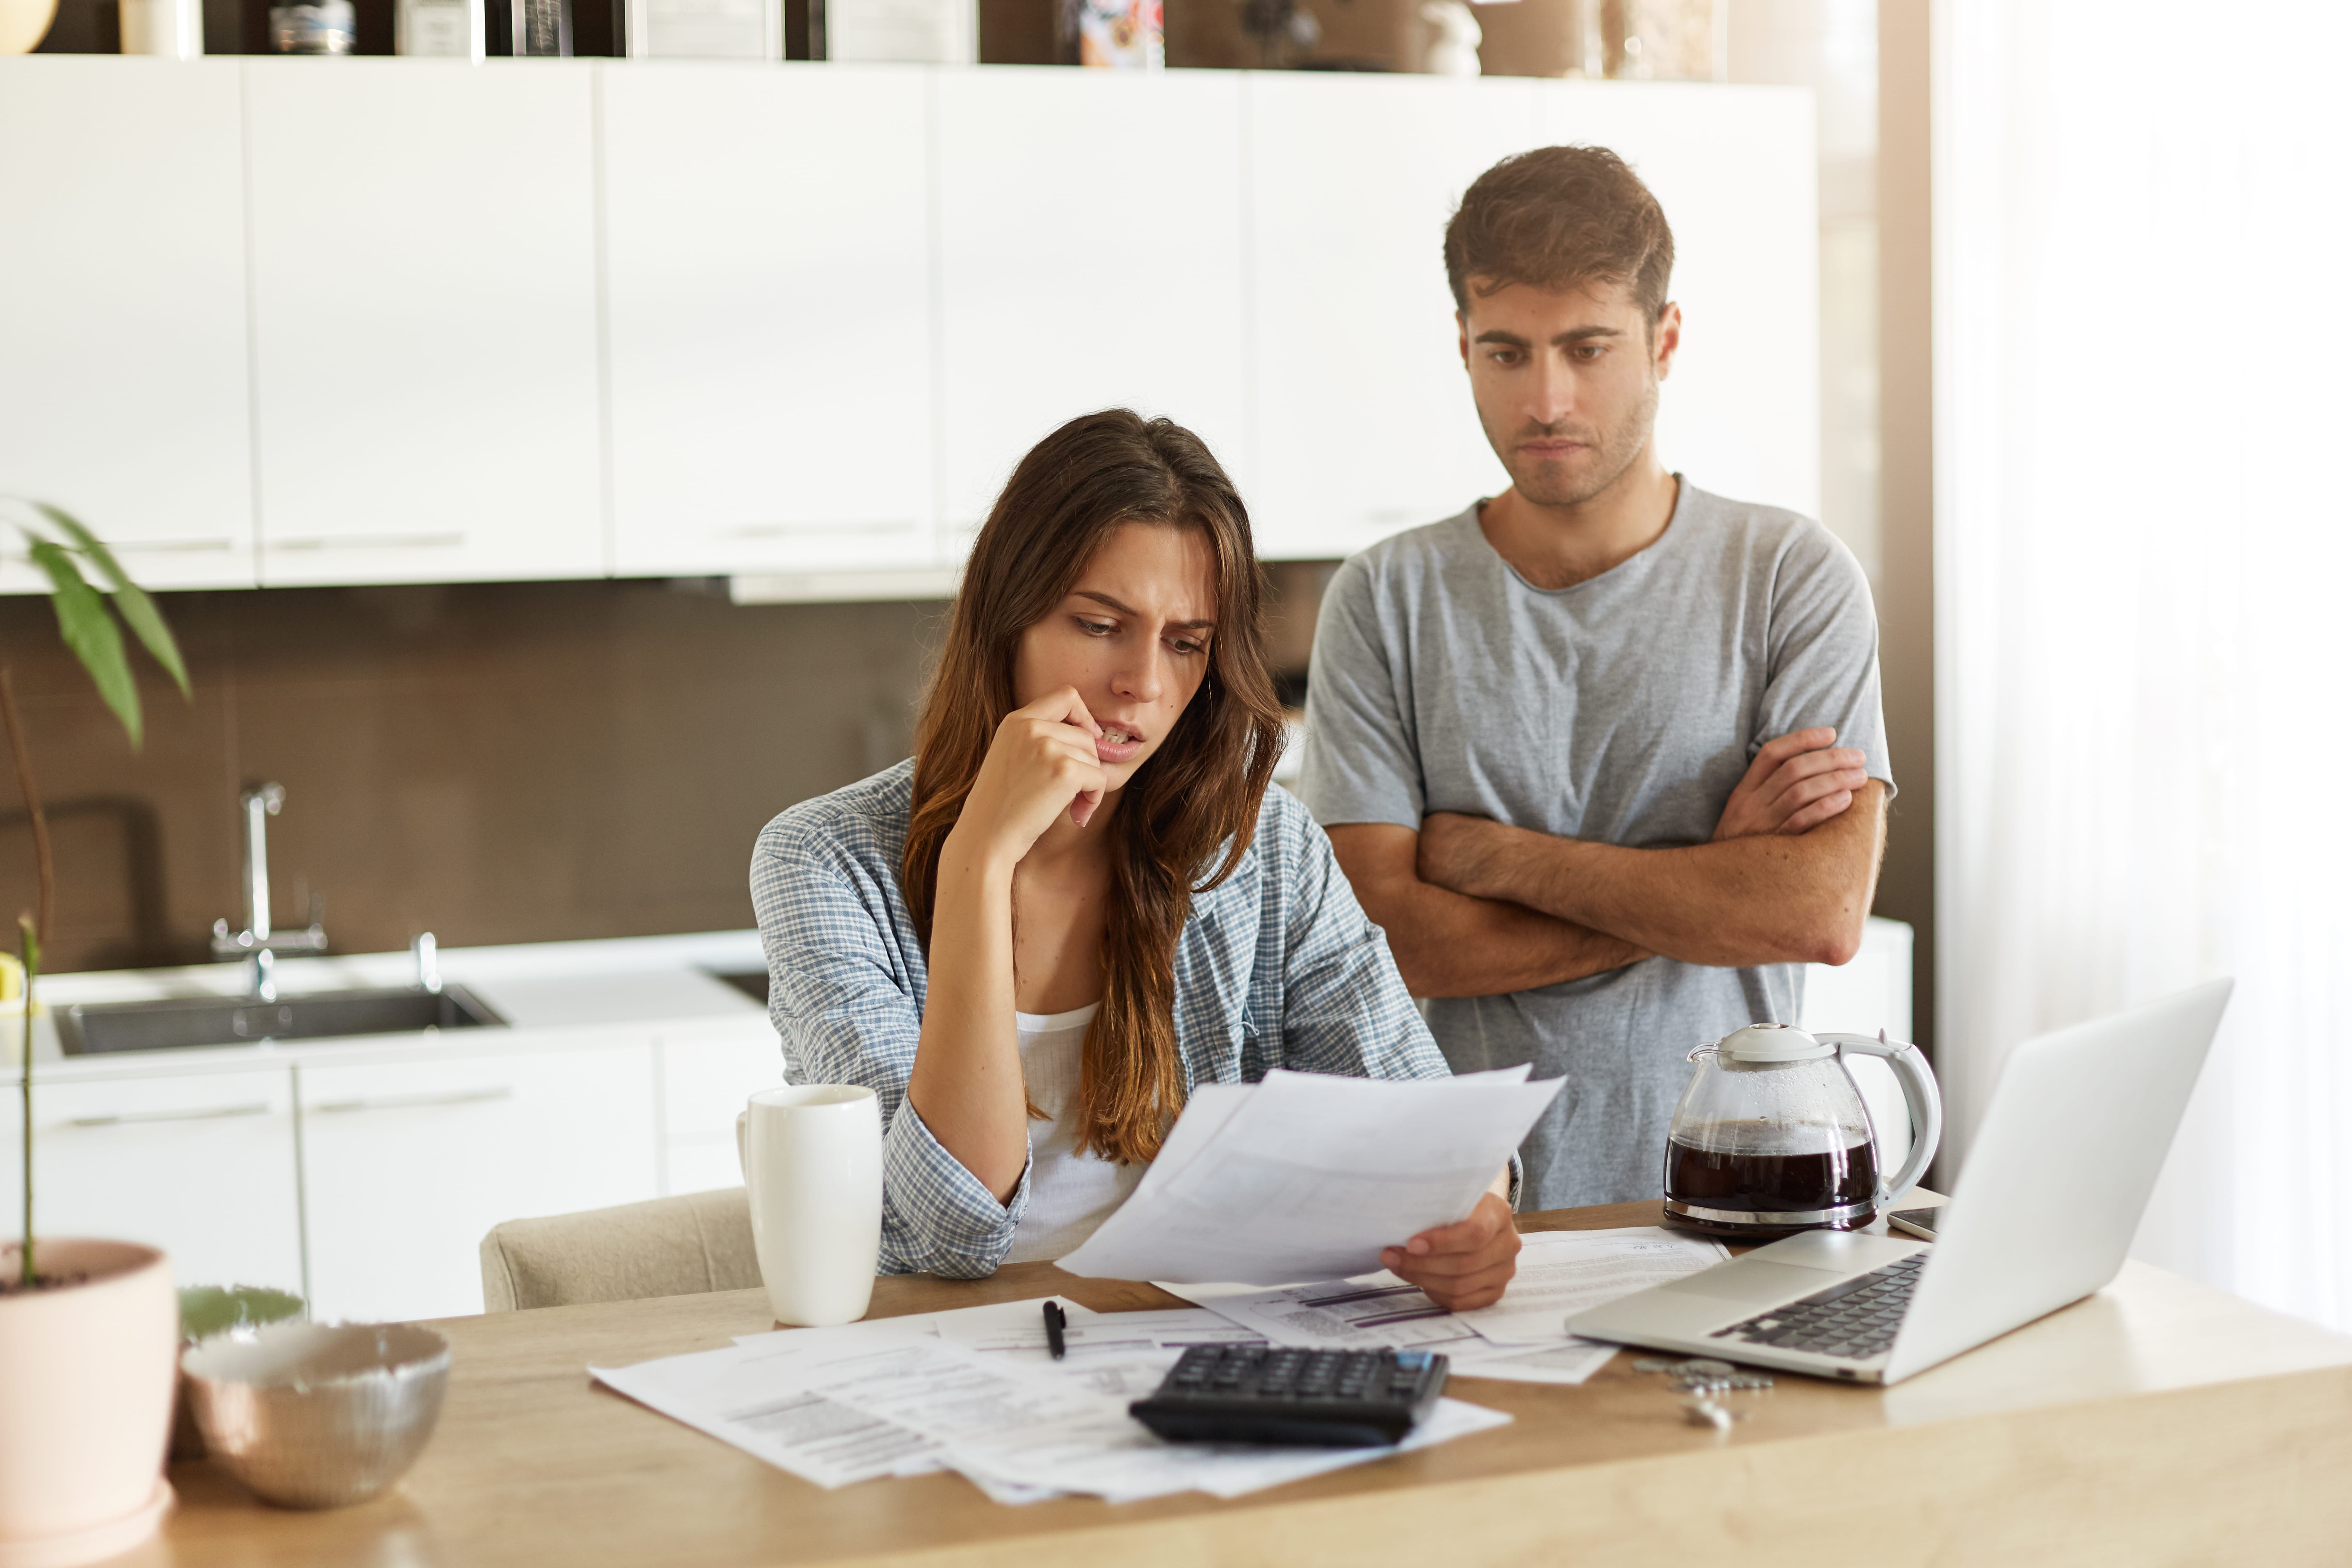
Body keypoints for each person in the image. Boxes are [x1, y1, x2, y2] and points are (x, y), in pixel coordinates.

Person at [750, 410, 1520, 1307]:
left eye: (1186, 643)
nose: (1146, 686)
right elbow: (946, 1230)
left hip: (1192, 1353)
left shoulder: (1266, 849)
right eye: (1100, 624)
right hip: (942, 1355)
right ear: (1007, 616)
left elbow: (1424, 1124)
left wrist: (1475, 1215)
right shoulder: (824, 862)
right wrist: (978, 863)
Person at [1299, 145, 1895, 1211]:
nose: (1547, 398)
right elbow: (1392, 944)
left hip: (1742, 1198)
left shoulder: (1791, 578)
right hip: (1470, 1220)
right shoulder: (1385, 597)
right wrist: (1710, 878)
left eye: (1588, 347)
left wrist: (1500, 859)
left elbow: (1818, 909)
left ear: (1665, 341)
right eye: (1507, 353)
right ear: (1463, 347)